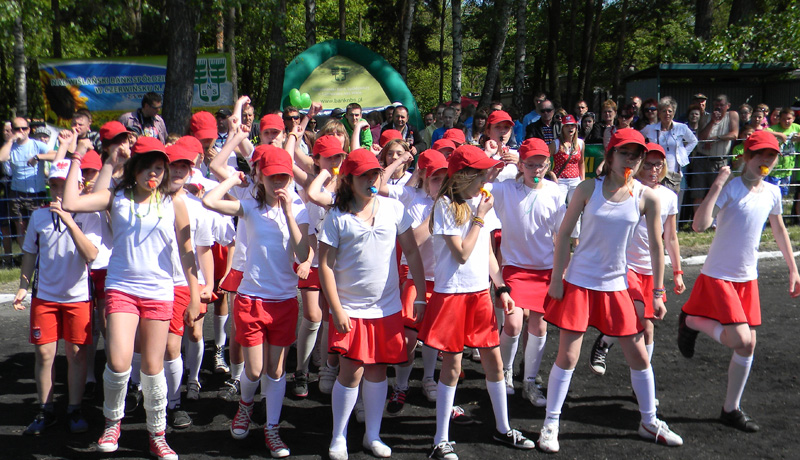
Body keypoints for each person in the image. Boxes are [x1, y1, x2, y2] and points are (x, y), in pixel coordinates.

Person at [537, 129, 683, 453]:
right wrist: (557, 278)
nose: (631, 159)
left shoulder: (647, 197)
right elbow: (564, 235)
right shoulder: (588, 188)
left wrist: (658, 292)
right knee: (568, 356)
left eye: (636, 155)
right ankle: (550, 423)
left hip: (617, 285)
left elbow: (657, 247)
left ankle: (649, 421)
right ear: (611, 154)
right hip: (580, 282)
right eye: (624, 153)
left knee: (639, 356)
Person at [62, 137, 201, 460]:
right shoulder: (116, 197)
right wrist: (84, 157)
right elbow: (69, 202)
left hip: (159, 291)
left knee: (153, 367)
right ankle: (113, 423)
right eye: (147, 166)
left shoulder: (173, 202)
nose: (153, 173)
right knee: (119, 361)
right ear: (134, 168)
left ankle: (157, 434)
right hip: (122, 288)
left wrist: (194, 294)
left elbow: (187, 251)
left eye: (159, 167)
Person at [418, 145, 536, 460]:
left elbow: (486, 253)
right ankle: (440, 439)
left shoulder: (480, 201)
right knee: (452, 367)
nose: (486, 178)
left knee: (494, 364)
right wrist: (480, 218)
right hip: (452, 295)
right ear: (463, 176)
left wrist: (502, 288)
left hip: (480, 293)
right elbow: (462, 253)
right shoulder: (446, 204)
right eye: (480, 173)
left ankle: (503, 428)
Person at [678, 130, 800, 433]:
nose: (767, 161)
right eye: (761, 155)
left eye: (772, 156)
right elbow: (699, 225)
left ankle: (730, 409)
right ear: (746, 156)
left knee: (748, 346)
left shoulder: (772, 192)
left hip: (748, 278)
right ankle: (690, 321)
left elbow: (779, 230)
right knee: (741, 340)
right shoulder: (731, 188)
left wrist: (793, 268)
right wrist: (717, 185)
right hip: (719, 275)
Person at [317, 148, 427, 460]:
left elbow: (412, 252)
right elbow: (324, 266)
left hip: (387, 309)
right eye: (363, 176)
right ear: (348, 180)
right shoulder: (336, 217)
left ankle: (372, 436)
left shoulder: (394, 208)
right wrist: (337, 308)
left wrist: (420, 294)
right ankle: (339, 437)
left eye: (375, 174)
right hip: (350, 310)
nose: (371, 180)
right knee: (350, 373)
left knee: (378, 371)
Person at [203, 144, 309, 458]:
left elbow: (303, 253)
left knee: (275, 371)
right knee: (254, 369)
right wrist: (232, 179)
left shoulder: (299, 208)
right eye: (272, 176)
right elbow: (209, 201)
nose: (279, 183)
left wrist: (288, 213)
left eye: (284, 177)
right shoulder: (249, 205)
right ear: (260, 176)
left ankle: (272, 429)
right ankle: (246, 406)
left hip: (284, 300)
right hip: (251, 298)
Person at [14, 160, 99, 436]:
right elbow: (30, 253)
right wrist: (23, 286)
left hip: (78, 297)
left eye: (65, 185)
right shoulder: (39, 217)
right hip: (45, 296)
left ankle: (74, 409)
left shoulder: (90, 216)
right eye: (54, 185)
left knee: (77, 355)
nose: (59, 191)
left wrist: (69, 220)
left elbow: (91, 254)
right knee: (44, 354)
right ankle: (45, 410)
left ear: (79, 186)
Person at [588, 143, 685, 376]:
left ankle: (640, 378)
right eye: (648, 164)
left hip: (651, 269)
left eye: (658, 165)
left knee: (647, 328)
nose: (653, 170)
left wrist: (677, 272)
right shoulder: (630, 190)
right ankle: (606, 342)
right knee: (640, 315)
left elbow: (670, 237)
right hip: (626, 265)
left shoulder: (669, 197)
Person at [489, 138, 565, 406]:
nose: (536, 170)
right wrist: (495, 164)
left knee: (539, 326)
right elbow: (478, 188)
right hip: (514, 267)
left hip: (544, 270)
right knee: (512, 323)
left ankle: (530, 381)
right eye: (530, 164)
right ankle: (505, 372)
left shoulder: (555, 191)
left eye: (541, 165)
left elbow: (562, 234)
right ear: (520, 164)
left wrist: (562, 271)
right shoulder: (506, 189)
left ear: (548, 165)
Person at [0, 117, 50, 246]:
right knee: (20, 228)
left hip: (36, 193)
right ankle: (25, 255)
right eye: (17, 129)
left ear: (29, 129)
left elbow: (56, 155)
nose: (21, 131)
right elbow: (2, 157)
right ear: (12, 130)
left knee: (37, 227)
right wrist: (10, 140)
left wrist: (38, 157)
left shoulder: (37, 145)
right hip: (16, 193)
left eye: (24, 128)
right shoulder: (11, 146)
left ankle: (37, 254)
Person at [640, 96, 698, 194]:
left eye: (670, 111)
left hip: (675, 173)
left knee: (675, 200)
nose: (667, 113)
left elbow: (693, 141)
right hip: (656, 172)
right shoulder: (650, 128)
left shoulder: (681, 127)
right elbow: (638, 138)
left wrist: (683, 154)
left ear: (674, 113)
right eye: (664, 111)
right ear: (659, 113)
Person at [695, 94, 739, 207]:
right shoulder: (705, 117)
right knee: (698, 194)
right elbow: (701, 137)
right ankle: (697, 218)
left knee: (718, 194)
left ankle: (715, 218)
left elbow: (734, 134)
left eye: (721, 105)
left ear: (728, 106)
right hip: (702, 160)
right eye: (716, 105)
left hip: (720, 161)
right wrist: (712, 121)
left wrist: (716, 138)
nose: (718, 107)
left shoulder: (732, 115)